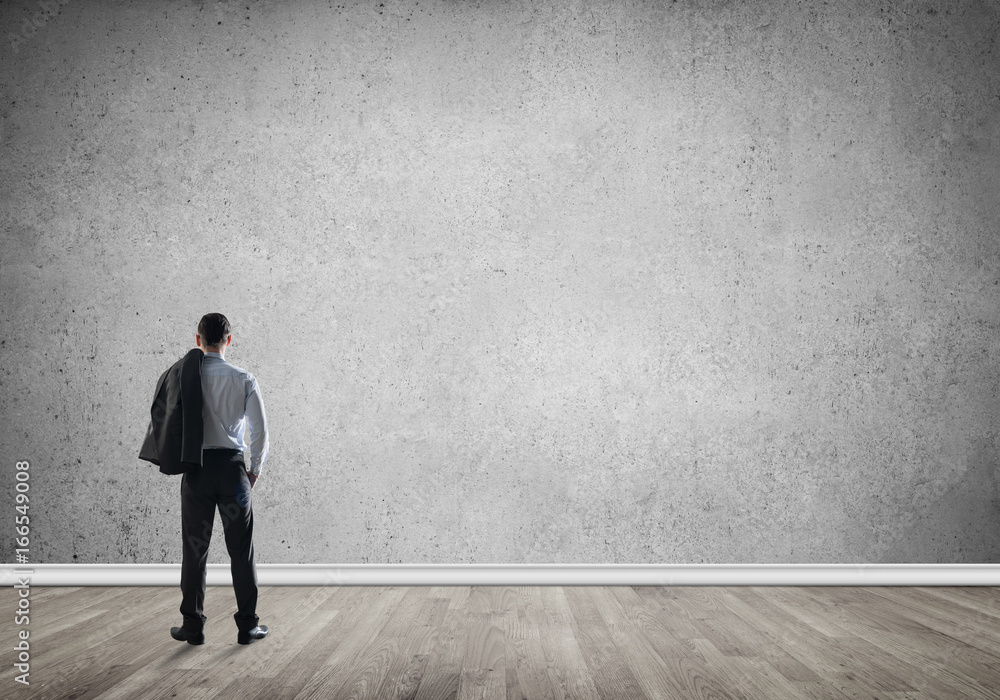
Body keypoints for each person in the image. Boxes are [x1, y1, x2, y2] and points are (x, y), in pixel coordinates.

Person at [170, 312, 271, 646]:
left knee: (194, 551)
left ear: (198, 340)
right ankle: (247, 627)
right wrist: (253, 470)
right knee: (241, 552)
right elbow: (261, 433)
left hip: (197, 471)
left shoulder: (186, 378)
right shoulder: (244, 378)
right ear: (229, 340)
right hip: (233, 471)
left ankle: (193, 627)